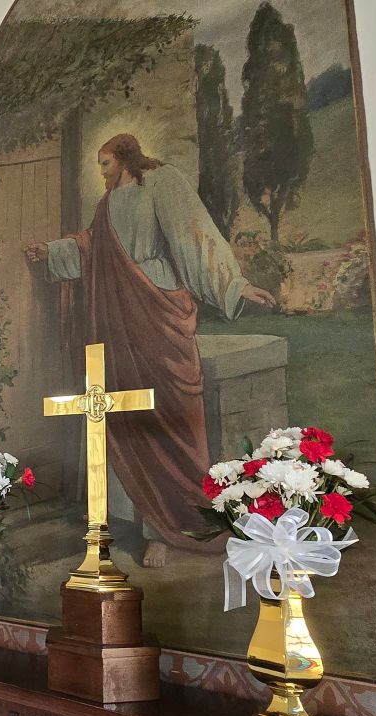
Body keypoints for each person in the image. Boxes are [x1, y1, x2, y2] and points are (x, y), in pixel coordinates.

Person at [24, 134, 275, 567]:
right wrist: (53, 252)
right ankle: (138, 520)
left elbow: (195, 235)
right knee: (126, 415)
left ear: (124, 158)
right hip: (118, 318)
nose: (101, 172)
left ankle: (170, 526)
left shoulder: (162, 182)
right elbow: (94, 247)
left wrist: (235, 285)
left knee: (169, 414)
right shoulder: (107, 203)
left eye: (105, 163)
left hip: (158, 310)